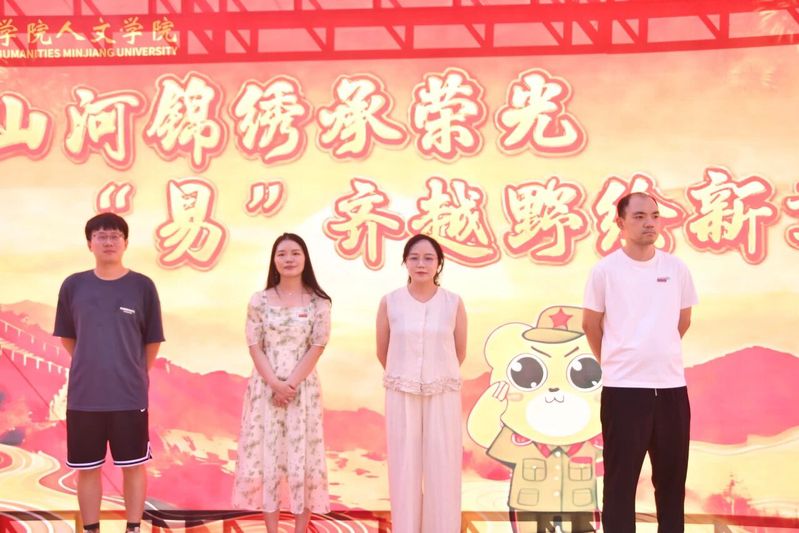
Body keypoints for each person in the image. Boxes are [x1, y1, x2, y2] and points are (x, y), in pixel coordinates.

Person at [582, 192, 698, 533]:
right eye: (639, 216)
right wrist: (615, 361)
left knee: (672, 482)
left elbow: (683, 321)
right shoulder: (605, 271)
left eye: (655, 216)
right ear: (620, 223)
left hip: (671, 388)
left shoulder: (676, 268)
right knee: (620, 483)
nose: (650, 223)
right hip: (624, 390)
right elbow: (590, 324)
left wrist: (658, 351)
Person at [53, 213, 165, 533]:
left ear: (125, 243)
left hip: (129, 395)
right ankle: (91, 529)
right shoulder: (74, 285)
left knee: (134, 466)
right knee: (87, 469)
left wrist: (134, 372)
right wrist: (92, 362)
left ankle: (133, 527)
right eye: (100, 236)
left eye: (115, 236)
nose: (108, 241)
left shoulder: (142, 286)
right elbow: (67, 337)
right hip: (84, 396)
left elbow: (152, 340)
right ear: (90, 243)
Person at [233, 232, 332, 533]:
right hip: (265, 389)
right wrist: (275, 384)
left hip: (303, 391)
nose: (289, 259)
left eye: (295, 253)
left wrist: (290, 385)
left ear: (305, 259)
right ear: (274, 260)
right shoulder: (259, 300)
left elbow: (318, 345)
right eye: (282, 254)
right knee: (269, 460)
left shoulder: (319, 302)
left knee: (304, 459)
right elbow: (254, 345)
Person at [375, 234, 467, 533]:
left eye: (428, 258)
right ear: (405, 262)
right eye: (414, 258)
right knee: (404, 468)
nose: (421, 264)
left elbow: (459, 350)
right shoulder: (390, 302)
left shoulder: (453, 302)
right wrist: (406, 375)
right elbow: (383, 349)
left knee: (444, 467)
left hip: (443, 393)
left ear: (439, 263)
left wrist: (435, 373)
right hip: (401, 393)